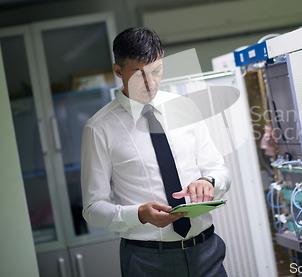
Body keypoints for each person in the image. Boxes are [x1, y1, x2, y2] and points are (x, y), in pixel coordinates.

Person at [81, 27, 230, 277]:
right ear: (119, 71)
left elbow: (219, 169)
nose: (151, 83)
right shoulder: (98, 128)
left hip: (207, 251)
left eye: (156, 71)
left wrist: (208, 181)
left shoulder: (185, 108)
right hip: (147, 260)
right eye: (139, 74)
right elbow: (93, 208)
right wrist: (138, 214)